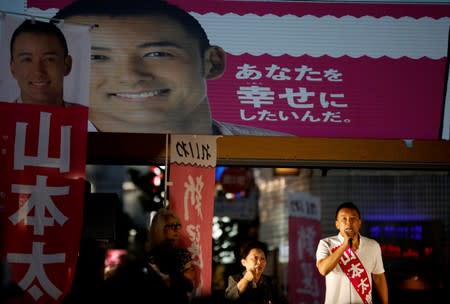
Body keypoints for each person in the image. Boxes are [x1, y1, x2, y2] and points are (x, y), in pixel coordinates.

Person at [53, 0, 289, 135]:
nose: (131, 76)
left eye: (157, 54)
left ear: (213, 62)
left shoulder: (278, 144)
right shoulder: (45, 150)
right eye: (96, 57)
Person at [316, 201, 389, 304]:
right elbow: (323, 270)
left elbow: (379, 277)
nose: (348, 223)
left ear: (359, 223)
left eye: (353, 218)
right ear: (337, 224)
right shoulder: (326, 244)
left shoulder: (373, 246)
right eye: (344, 219)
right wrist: (344, 245)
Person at [9, 19, 73, 106]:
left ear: (67, 65)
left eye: (49, 59)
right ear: (13, 68)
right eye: (27, 59)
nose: (38, 72)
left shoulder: (82, 118)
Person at [224, 240, 288, 304]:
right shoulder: (235, 279)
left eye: (262, 258)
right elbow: (229, 298)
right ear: (244, 262)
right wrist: (245, 280)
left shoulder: (271, 282)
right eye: (255, 258)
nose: (259, 262)